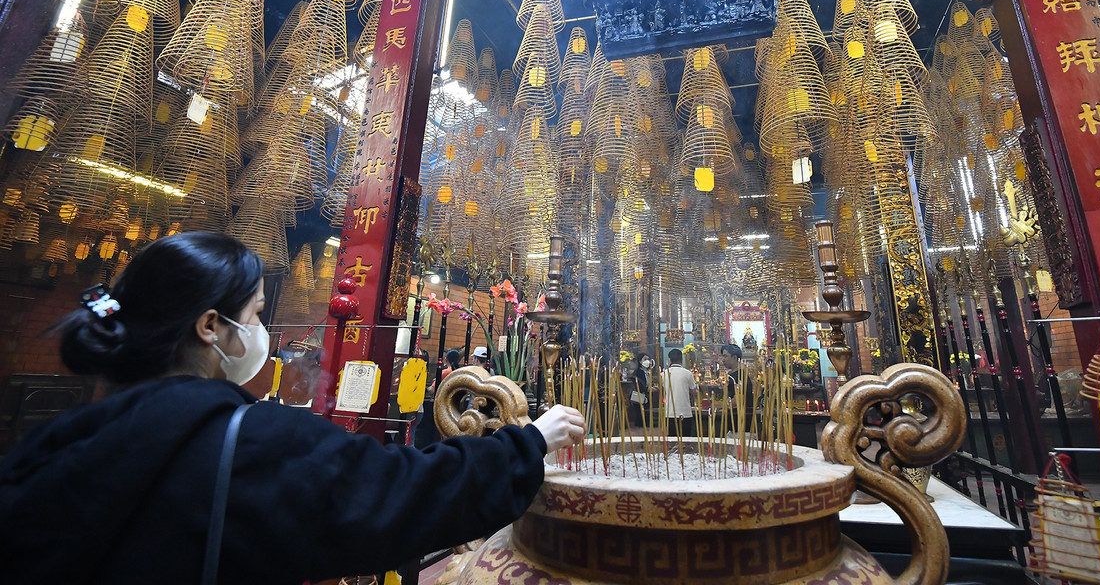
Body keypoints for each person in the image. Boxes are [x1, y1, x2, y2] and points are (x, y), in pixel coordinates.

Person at [0, 232, 585, 584]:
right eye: (255, 314)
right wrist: (528, 442)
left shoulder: (57, 442)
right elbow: (402, 493)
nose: (259, 330)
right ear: (211, 327)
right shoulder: (245, 441)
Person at [662, 348, 698, 437]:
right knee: (685, 439)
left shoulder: (664, 374)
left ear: (670, 360)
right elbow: (694, 392)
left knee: (672, 439)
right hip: (685, 411)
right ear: (681, 360)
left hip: (670, 412)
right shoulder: (687, 373)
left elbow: (662, 391)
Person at [720, 343, 753, 436]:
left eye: (725, 356)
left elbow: (738, 399)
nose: (723, 359)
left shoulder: (741, 375)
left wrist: (722, 405)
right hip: (733, 422)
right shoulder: (732, 375)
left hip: (741, 424)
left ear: (734, 357)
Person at [630, 352, 652, 428]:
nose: (647, 361)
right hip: (640, 395)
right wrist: (647, 389)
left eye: (648, 359)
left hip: (646, 395)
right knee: (641, 414)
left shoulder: (647, 372)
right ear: (640, 361)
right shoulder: (638, 372)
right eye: (645, 359)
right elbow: (639, 384)